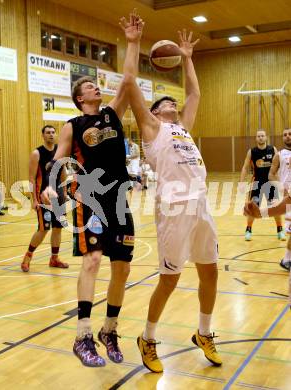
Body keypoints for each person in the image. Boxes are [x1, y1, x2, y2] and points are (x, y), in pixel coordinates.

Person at [41, 10, 143, 368]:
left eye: (96, 84)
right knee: (93, 260)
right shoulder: (72, 125)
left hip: (119, 201)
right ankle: (83, 334)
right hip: (90, 200)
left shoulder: (113, 114)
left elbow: (128, 80)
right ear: (79, 97)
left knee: (122, 268)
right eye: (88, 86)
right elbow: (57, 161)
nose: (95, 87)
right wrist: (52, 188)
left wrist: (132, 42)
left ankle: (109, 330)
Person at [124, 29, 221, 372]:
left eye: (173, 104)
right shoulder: (152, 130)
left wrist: (187, 56)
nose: (174, 105)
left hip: (201, 207)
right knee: (170, 279)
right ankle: (147, 338)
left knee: (210, 273)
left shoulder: (184, 128)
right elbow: (131, 83)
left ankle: (205, 332)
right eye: (166, 103)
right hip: (174, 210)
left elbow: (195, 93)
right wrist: (134, 43)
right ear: (153, 112)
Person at [21, 125, 69, 272]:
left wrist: (65, 193)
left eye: (53, 132)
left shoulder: (59, 152)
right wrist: (34, 199)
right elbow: (31, 178)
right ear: (42, 135)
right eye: (48, 132)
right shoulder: (37, 153)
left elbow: (63, 173)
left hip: (58, 196)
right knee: (43, 229)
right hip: (44, 198)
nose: (51, 135)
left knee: (58, 228)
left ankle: (54, 259)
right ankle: (27, 257)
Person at [240, 129, 285, 241]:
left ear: (266, 137)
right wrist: (241, 182)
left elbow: (278, 166)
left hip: (271, 183)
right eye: (258, 136)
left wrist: (280, 182)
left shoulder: (272, 149)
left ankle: (280, 230)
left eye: (262, 136)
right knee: (252, 207)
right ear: (256, 138)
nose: (260, 137)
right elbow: (245, 167)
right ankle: (248, 230)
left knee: (275, 207)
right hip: (257, 183)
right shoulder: (252, 152)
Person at [268, 128, 291, 271]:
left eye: (290, 134)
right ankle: (286, 259)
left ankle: (287, 259)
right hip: (288, 199)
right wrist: (282, 187)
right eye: (285, 135)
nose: (288, 136)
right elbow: (271, 174)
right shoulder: (279, 155)